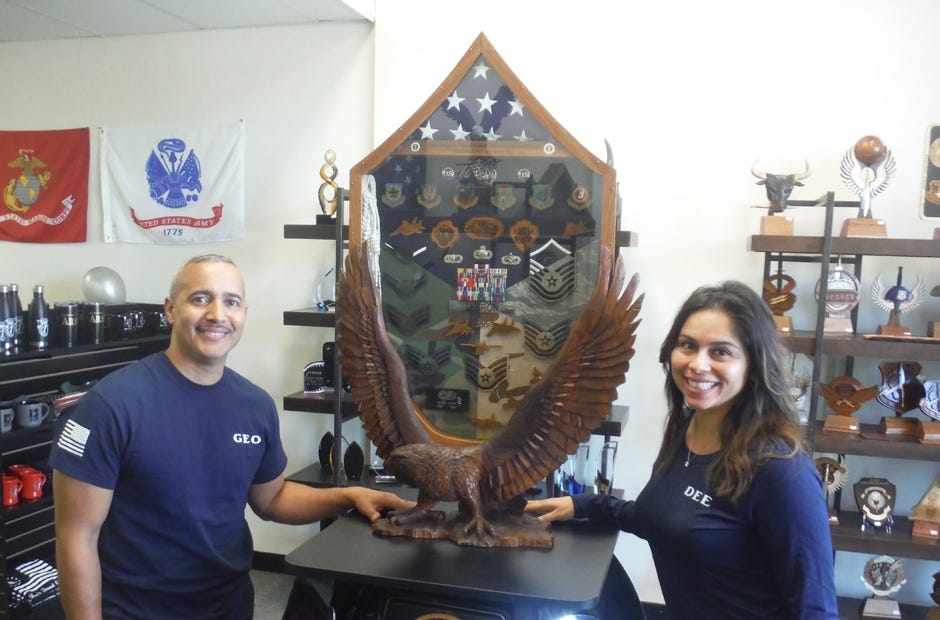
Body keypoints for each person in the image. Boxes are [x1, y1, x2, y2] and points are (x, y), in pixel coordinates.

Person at [50, 254, 414, 620]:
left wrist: (349, 495)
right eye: (200, 298)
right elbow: (77, 539)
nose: (217, 314)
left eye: (231, 301)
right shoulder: (110, 406)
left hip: (229, 606)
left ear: (244, 314)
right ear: (170, 309)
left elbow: (272, 499)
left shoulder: (254, 406)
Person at [526, 281, 838, 619]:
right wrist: (585, 504)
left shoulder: (780, 469)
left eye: (721, 351)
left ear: (753, 364)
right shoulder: (685, 429)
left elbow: (815, 609)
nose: (697, 365)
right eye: (687, 345)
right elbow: (664, 518)